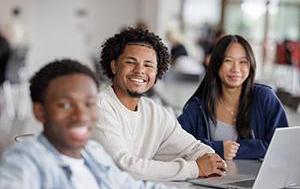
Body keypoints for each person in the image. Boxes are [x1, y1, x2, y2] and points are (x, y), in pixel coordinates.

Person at [0, 59, 169, 189]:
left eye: (89, 104)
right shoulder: (26, 162)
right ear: (40, 112)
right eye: (66, 105)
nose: (81, 116)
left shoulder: (92, 151)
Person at [92, 27, 227, 181]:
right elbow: (123, 166)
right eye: (130, 62)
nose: (139, 70)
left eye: (148, 65)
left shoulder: (155, 112)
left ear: (157, 72)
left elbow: (192, 148)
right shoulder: (99, 106)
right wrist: (195, 168)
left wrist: (213, 161)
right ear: (114, 66)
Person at [178, 35, 289, 160]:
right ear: (216, 64)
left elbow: (283, 146)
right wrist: (218, 148)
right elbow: (178, 144)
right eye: (228, 61)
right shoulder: (198, 107)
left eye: (243, 62)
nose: (236, 69)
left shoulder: (265, 98)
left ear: (250, 65)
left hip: (260, 179)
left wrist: (237, 150)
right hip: (213, 179)